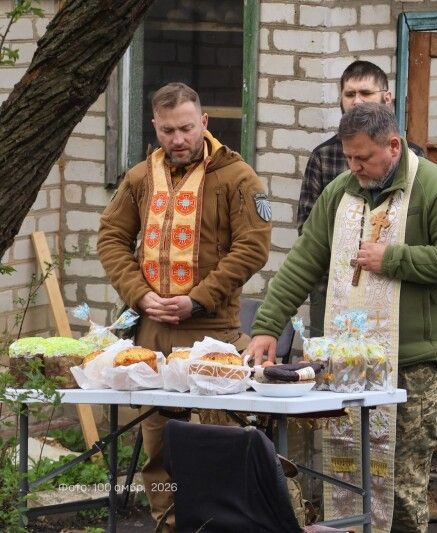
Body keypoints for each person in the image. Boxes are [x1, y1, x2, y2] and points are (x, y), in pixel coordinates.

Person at [246, 102, 437, 533]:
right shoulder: (342, 191)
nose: (353, 167)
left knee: (403, 484)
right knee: (346, 473)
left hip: (412, 361)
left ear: (393, 146)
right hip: (348, 364)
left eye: (363, 158)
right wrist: (267, 326)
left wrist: (393, 259)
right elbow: (303, 261)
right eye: (349, 157)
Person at [97, 82, 271, 530]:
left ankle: (223, 524)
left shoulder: (238, 178)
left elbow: (252, 248)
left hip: (213, 333)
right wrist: (139, 294)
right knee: (159, 445)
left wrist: (198, 299)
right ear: (155, 126)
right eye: (168, 130)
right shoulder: (140, 177)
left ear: (204, 122)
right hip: (151, 333)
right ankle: (168, 523)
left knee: (220, 438)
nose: (178, 139)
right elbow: (111, 237)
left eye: (187, 128)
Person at [298, 60, 425, 338]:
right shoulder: (323, 156)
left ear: (386, 98)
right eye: (349, 94)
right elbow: (308, 231)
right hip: (332, 288)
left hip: (391, 288)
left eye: (365, 93)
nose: (356, 101)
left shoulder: (412, 157)